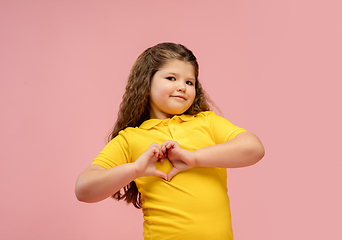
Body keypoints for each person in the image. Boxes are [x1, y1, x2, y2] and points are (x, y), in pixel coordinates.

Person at [75, 42, 265, 240]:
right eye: (171, 78)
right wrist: (136, 169)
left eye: (189, 82)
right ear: (146, 83)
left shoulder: (207, 122)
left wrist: (193, 158)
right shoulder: (130, 138)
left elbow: (254, 148)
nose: (182, 87)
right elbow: (84, 189)